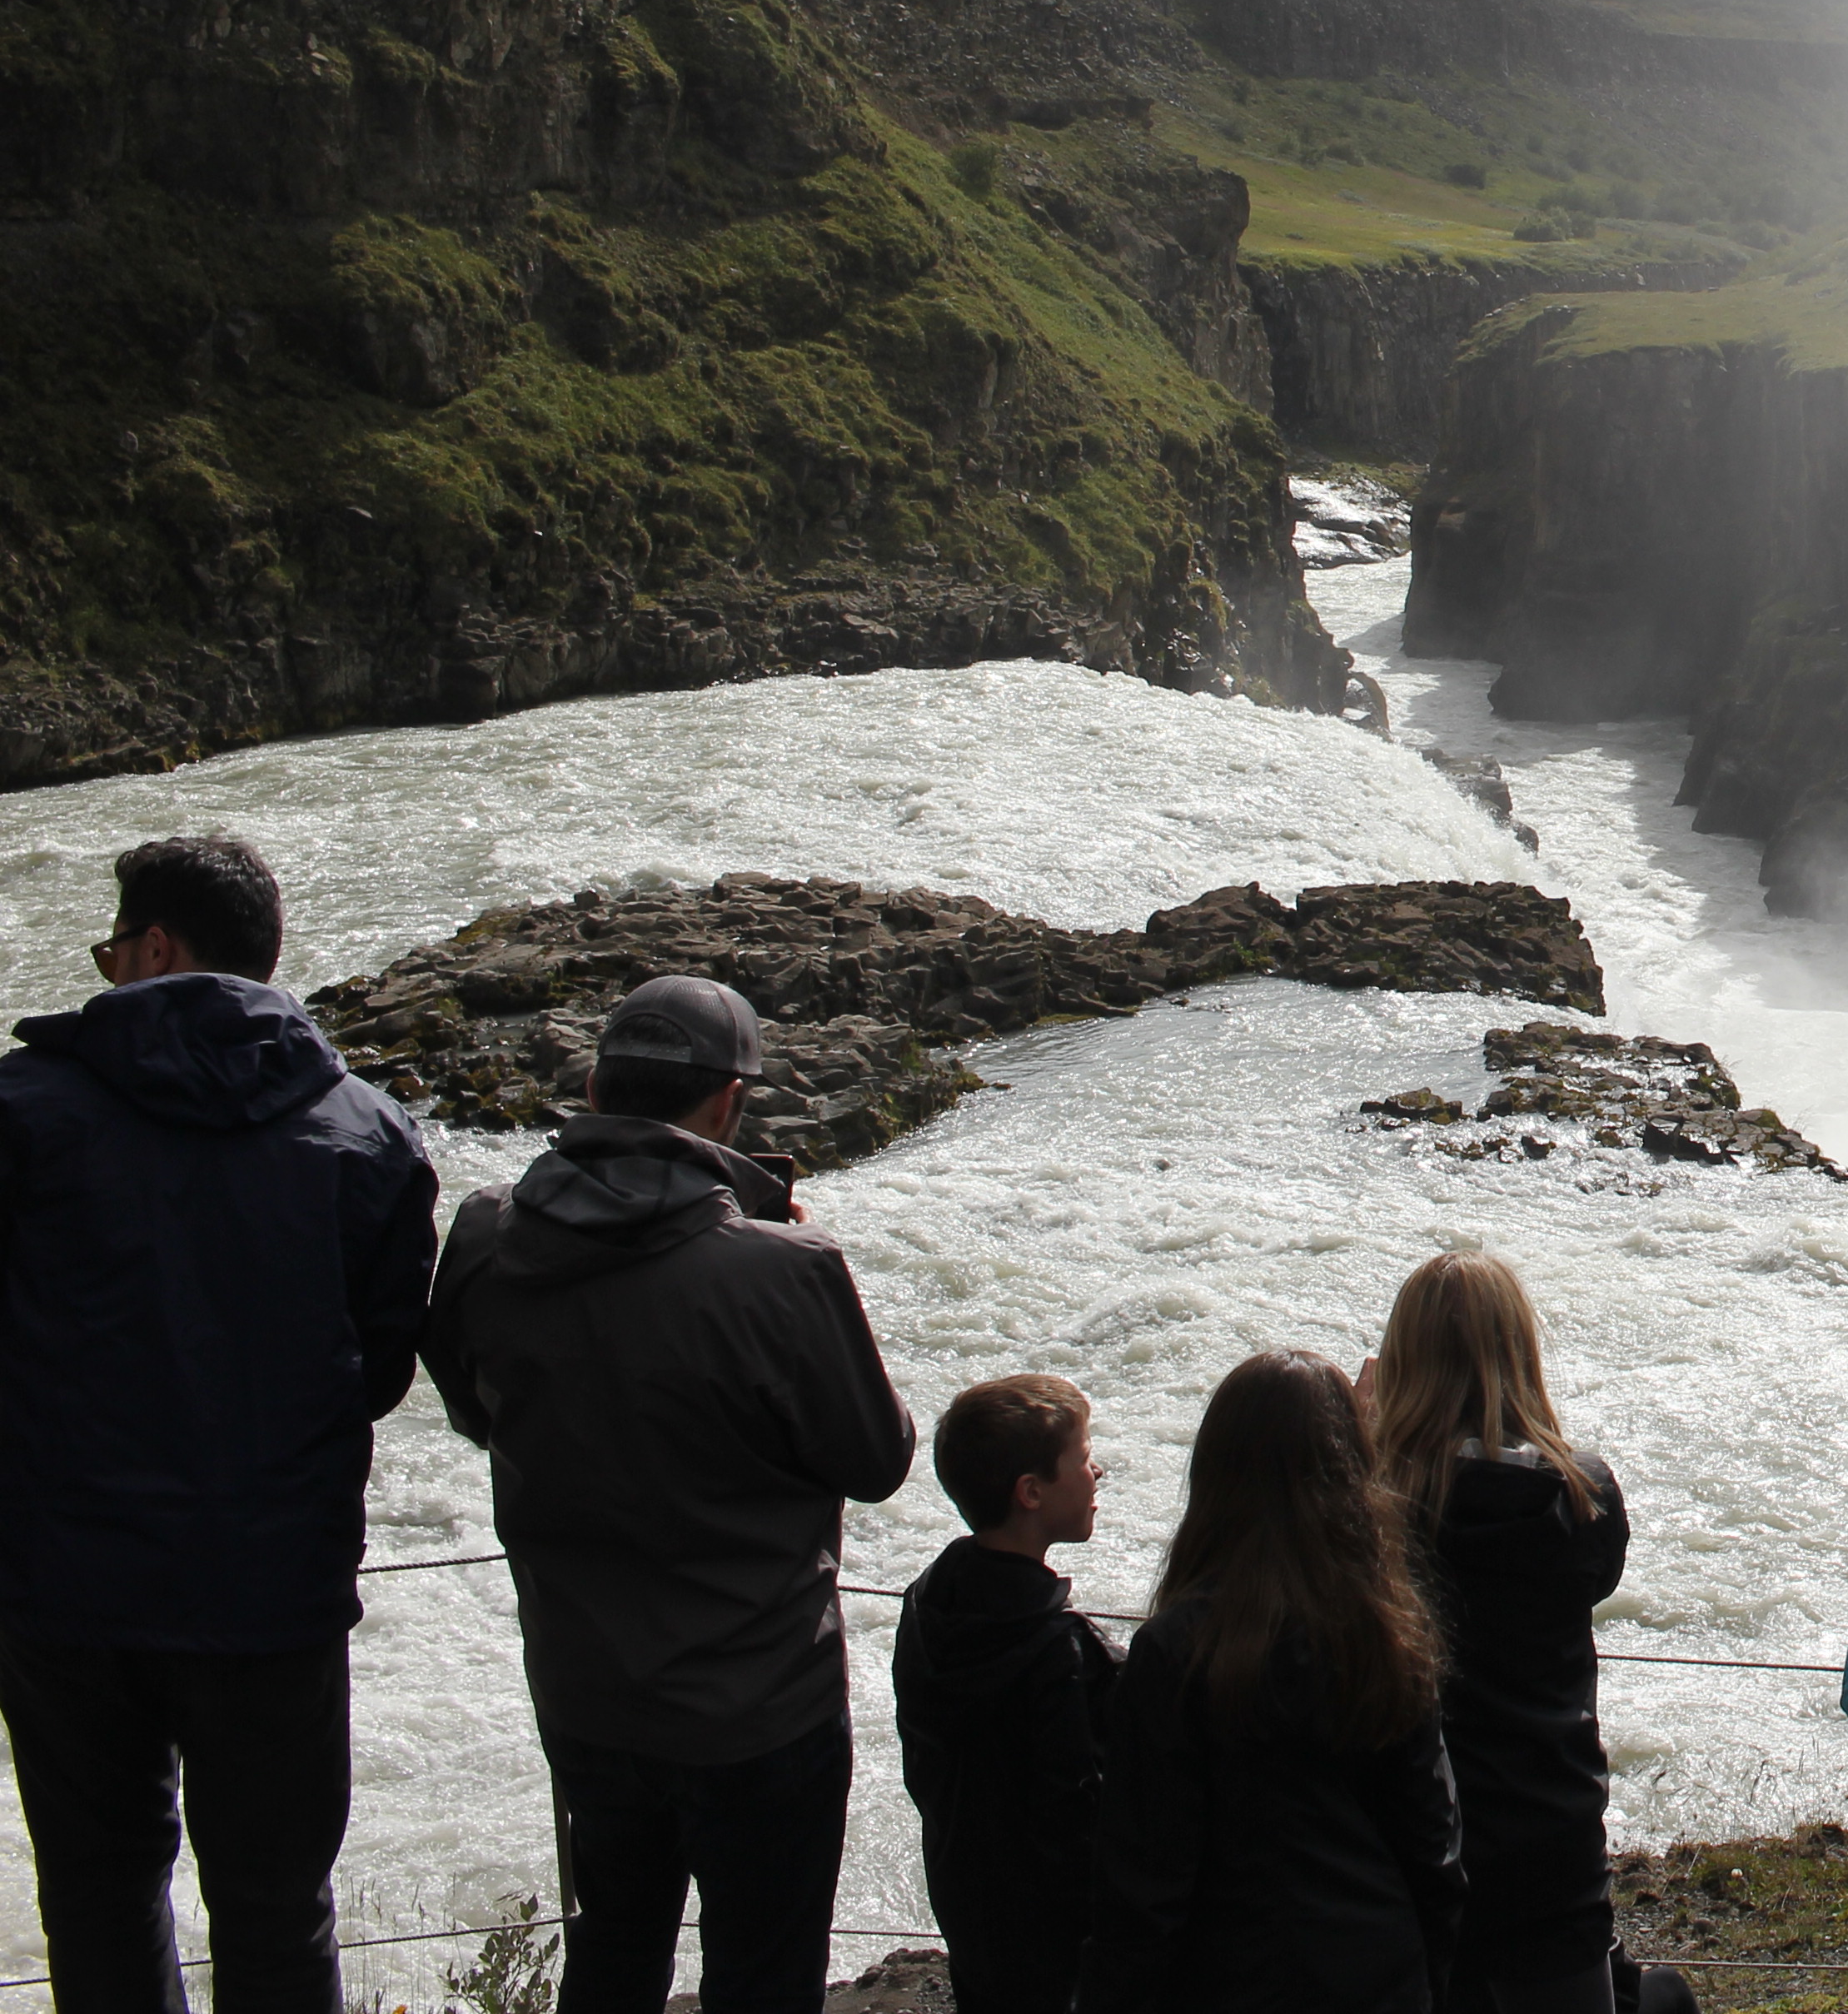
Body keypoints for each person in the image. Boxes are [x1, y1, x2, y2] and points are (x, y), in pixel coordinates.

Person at [419, 975, 920, 2014]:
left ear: (595, 1084)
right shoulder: (781, 1269)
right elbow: (875, 1461)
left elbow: (480, 1412)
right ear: (730, 1104)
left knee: (613, 1954)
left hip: (585, 1685)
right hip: (759, 1701)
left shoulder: (485, 1235)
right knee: (764, 1976)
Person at [0, 835, 436, 2014]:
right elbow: (384, 1367)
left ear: (154, 947)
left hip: (63, 1583)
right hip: (273, 1586)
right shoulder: (368, 1134)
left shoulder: (24, 1109)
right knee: (278, 1905)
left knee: (94, 1892)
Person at [1083, 1349, 1462, 2014]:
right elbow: (1433, 1842)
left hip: (1225, 1981)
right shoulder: (1388, 1633)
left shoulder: (1174, 1651)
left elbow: (1146, 1880)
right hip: (1376, 1970)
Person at [1361, 1251, 1631, 2014]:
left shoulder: (1375, 1502)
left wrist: (1357, 1435)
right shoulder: (1582, 1493)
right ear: (1519, 1352)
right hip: (1553, 1835)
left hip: (1414, 1837)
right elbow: (1597, 1578)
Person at [896, 1374, 1120, 2014]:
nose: (1096, 1470)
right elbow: (1076, 1820)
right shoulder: (1053, 1649)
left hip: (967, 1903)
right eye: (1080, 1459)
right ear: (1030, 1493)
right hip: (1052, 1944)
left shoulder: (930, 1600)